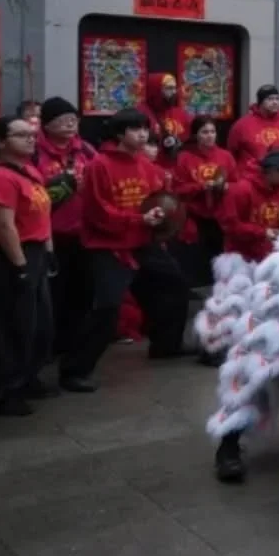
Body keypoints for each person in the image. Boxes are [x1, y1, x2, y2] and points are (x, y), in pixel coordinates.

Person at [58, 108, 191, 393]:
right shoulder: (99, 165)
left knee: (175, 285)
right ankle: (73, 370)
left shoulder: (144, 165)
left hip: (143, 240)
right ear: (119, 134)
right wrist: (137, 220)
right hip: (109, 246)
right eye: (135, 129)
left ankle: (166, 345)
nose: (143, 134)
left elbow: (155, 199)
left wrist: (162, 215)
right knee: (107, 308)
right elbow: (97, 213)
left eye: (145, 128)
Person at [0, 116, 56, 415]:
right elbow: (4, 226)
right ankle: (5, 390)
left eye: (32, 134)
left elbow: (43, 213)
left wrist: (49, 250)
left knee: (38, 323)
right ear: (0, 142)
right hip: (11, 256)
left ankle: (27, 377)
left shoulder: (29, 171)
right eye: (21, 135)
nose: (30, 139)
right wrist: (19, 266)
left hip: (37, 251)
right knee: (12, 326)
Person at [33, 97, 97, 354]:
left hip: (84, 234)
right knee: (52, 297)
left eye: (74, 120)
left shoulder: (87, 151)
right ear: (46, 126)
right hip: (50, 237)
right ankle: (49, 347)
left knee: (81, 294)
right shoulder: (35, 154)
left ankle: (73, 345)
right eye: (63, 121)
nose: (71, 125)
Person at [172, 116, 237, 277]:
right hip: (195, 216)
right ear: (196, 135)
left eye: (213, 132)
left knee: (220, 259)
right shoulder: (184, 158)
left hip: (220, 215)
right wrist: (201, 186)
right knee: (195, 262)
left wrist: (226, 186)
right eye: (205, 132)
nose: (210, 135)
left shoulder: (226, 156)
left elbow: (237, 185)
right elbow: (178, 189)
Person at [220, 150, 279, 264]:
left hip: (272, 255)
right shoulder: (241, 189)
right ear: (273, 172)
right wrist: (262, 232)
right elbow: (230, 225)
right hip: (242, 256)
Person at [227, 83, 279, 168]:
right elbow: (231, 152)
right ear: (260, 102)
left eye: (277, 99)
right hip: (250, 176)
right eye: (270, 99)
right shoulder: (242, 125)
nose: (275, 102)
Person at [144, 73, 193, 160]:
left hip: (177, 166)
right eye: (169, 88)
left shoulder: (181, 113)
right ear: (156, 89)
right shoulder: (141, 113)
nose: (174, 92)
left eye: (174, 88)